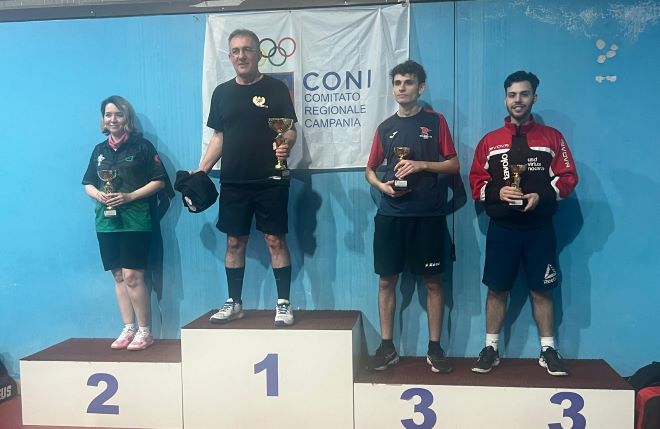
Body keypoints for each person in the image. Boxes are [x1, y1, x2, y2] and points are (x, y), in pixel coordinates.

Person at [469, 71, 578, 376]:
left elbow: (568, 178)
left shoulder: (552, 138)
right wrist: (497, 191)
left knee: (542, 290)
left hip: (538, 229)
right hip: (502, 230)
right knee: (496, 289)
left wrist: (541, 195)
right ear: (505, 99)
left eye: (524, 94)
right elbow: (476, 182)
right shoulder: (490, 141)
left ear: (534, 97)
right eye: (512, 95)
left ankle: (548, 350)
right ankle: (491, 348)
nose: (518, 100)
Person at [198, 29, 298, 326]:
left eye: (247, 50)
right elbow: (219, 137)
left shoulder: (277, 89)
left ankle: (283, 304)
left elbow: (290, 130)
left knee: (275, 240)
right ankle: (235, 303)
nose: (241, 56)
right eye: (236, 51)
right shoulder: (221, 93)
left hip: (271, 180)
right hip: (234, 181)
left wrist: (286, 143)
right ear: (230, 57)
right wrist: (201, 171)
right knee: (234, 242)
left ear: (258, 53)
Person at [365, 60, 460, 373]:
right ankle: (387, 347)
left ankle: (434, 348)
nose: (402, 88)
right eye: (397, 83)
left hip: (428, 215)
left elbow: (453, 165)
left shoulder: (435, 122)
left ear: (421, 87)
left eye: (408, 82)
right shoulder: (385, 128)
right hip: (391, 215)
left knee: (433, 282)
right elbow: (369, 169)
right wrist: (382, 186)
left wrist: (421, 165)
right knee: (386, 281)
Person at [82, 95, 167, 351]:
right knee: (118, 276)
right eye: (108, 115)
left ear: (126, 118)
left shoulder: (142, 147)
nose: (113, 119)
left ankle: (145, 331)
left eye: (118, 114)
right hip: (106, 222)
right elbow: (88, 183)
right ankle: (128, 328)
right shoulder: (99, 150)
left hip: (136, 220)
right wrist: (98, 194)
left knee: (132, 276)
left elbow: (159, 182)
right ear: (103, 119)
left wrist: (129, 196)